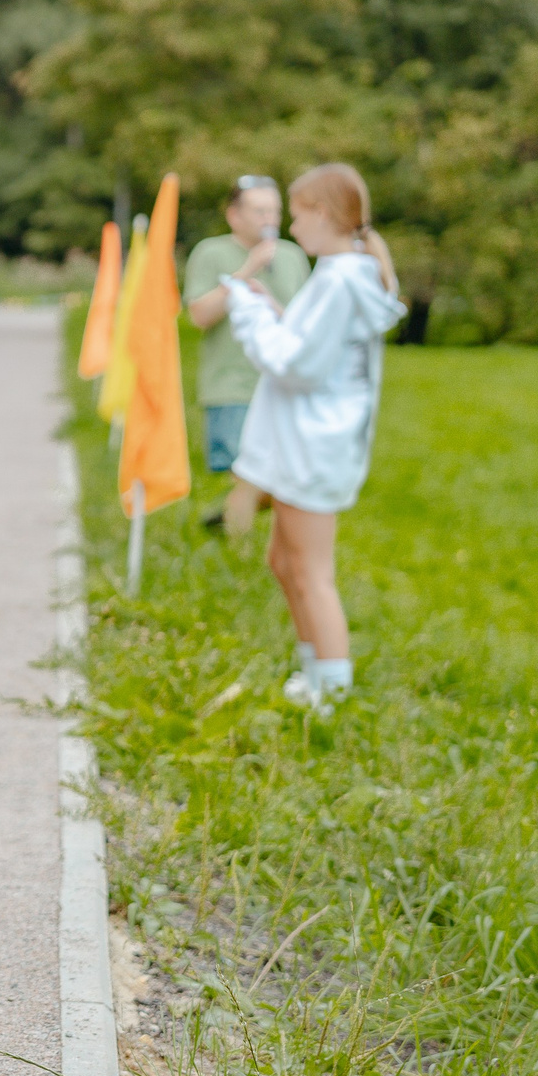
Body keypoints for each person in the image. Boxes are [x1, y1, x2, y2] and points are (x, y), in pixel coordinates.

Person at [215, 163, 406, 714]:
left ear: (322, 214)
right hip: (306, 445)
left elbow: (296, 364)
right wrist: (276, 311)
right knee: (283, 560)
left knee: (312, 572)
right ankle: (314, 674)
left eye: (297, 215)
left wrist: (249, 312)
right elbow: (314, 343)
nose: (291, 229)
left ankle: (332, 694)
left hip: (313, 449)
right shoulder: (339, 275)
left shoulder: (342, 278)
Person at [184, 176, 312, 537]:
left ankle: (226, 519)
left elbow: (306, 328)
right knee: (249, 478)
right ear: (233, 215)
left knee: (284, 482)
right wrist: (245, 273)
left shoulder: (293, 256)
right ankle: (239, 561)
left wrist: (272, 305)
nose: (269, 218)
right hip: (231, 387)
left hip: (284, 385)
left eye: (274, 210)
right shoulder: (211, 253)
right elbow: (199, 316)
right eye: (259, 210)